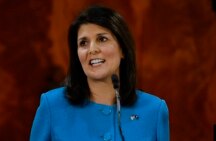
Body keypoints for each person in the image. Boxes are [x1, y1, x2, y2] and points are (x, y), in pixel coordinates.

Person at [30, 5, 169, 141]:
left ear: (123, 49)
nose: (92, 49)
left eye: (102, 39)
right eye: (83, 43)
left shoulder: (154, 110)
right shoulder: (52, 105)